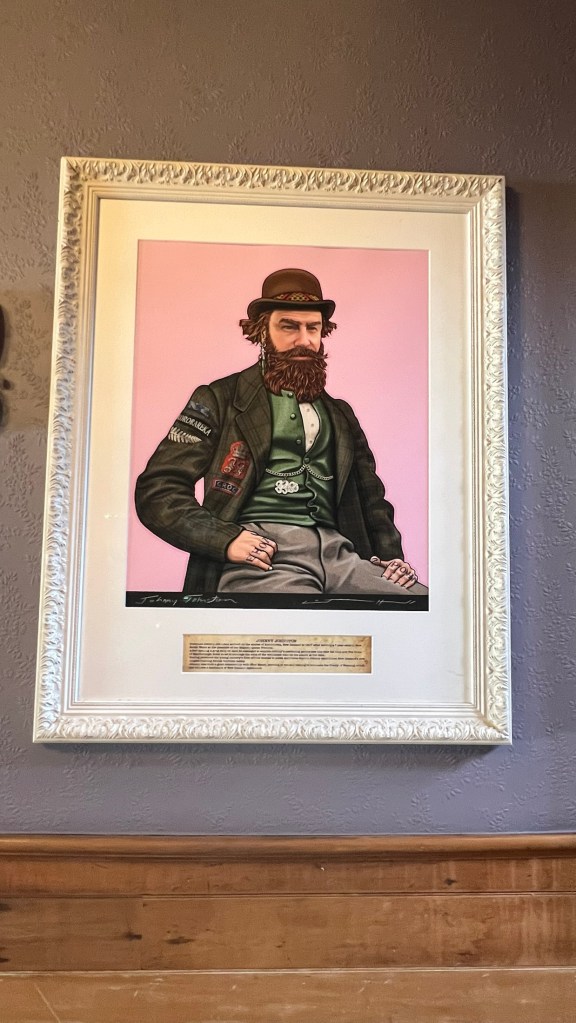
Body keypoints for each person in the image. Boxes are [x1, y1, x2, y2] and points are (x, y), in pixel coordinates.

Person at [135, 268, 427, 597]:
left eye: (313, 328)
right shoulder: (219, 398)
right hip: (262, 560)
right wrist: (226, 540)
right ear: (263, 331)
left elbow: (372, 499)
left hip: (343, 558)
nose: (304, 340)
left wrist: (391, 558)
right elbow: (158, 490)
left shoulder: (340, 414)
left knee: (417, 601)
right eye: (289, 326)